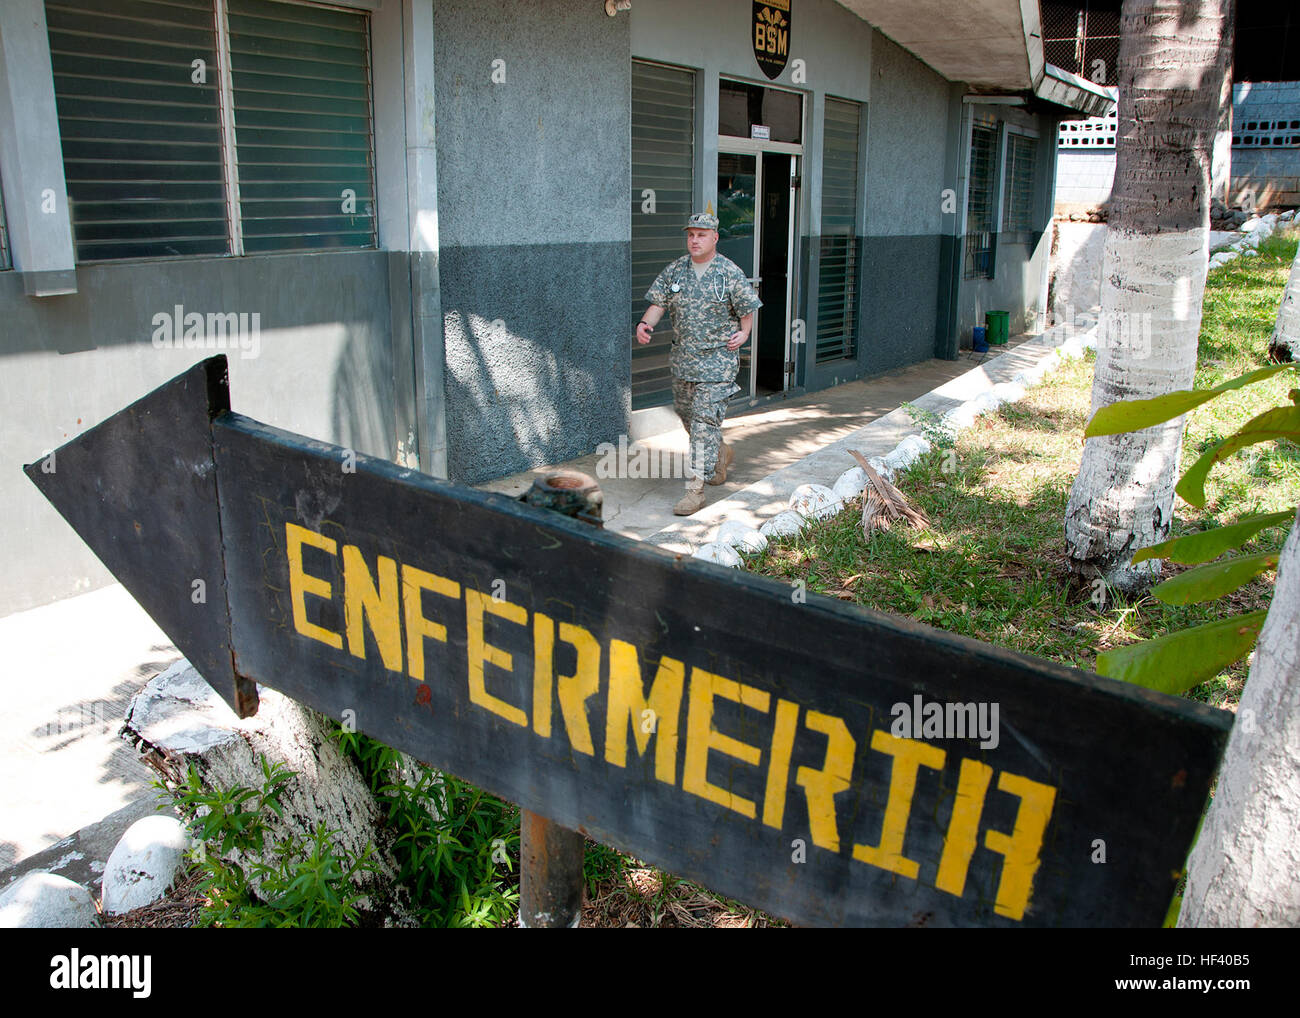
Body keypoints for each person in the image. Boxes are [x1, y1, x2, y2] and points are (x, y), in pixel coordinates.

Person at [636, 212, 762, 515]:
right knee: (688, 418)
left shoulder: (728, 272)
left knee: (704, 424)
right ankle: (719, 454)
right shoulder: (676, 270)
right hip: (683, 362)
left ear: (715, 238)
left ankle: (694, 490)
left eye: (701, 235)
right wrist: (644, 324)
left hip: (717, 362)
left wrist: (744, 333)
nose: (695, 240)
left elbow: (748, 306)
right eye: (691, 234)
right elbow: (658, 303)